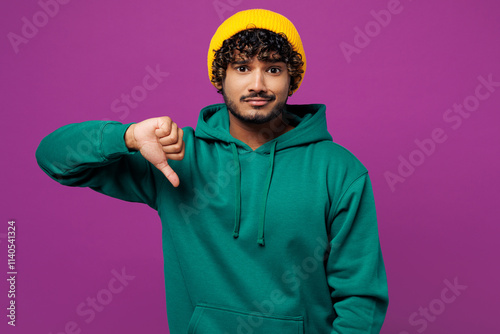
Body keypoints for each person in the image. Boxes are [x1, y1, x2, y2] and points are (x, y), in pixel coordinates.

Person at [36, 8, 389, 333]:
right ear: (219, 77)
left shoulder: (339, 170)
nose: (257, 84)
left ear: (291, 79)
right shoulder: (174, 154)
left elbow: (361, 297)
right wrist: (126, 136)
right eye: (242, 68)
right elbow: (53, 158)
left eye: (273, 69)